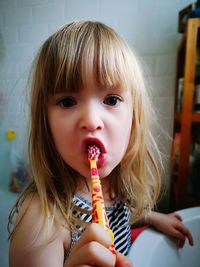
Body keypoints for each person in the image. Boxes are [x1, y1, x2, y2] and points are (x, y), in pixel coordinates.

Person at [8, 20, 193, 267]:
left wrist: (154, 217)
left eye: (112, 100)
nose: (92, 120)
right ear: (46, 123)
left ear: (134, 119)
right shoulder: (42, 221)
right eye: (67, 101)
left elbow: (121, 213)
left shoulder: (114, 183)